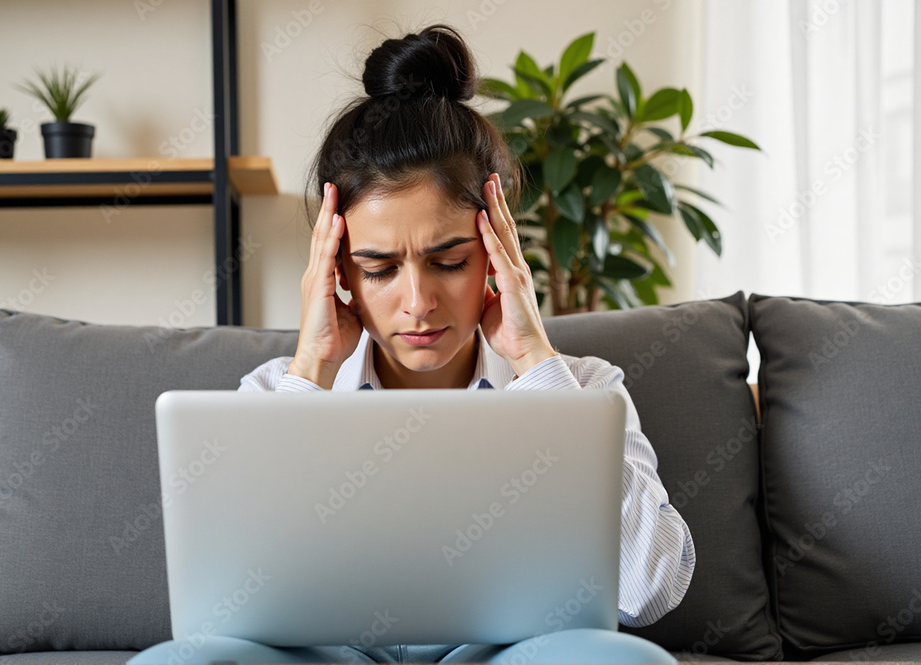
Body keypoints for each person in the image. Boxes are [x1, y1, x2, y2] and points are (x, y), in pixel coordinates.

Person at [130, 23, 693, 665]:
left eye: (448, 261)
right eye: (377, 268)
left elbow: (651, 591)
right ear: (337, 270)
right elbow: (229, 614)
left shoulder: (586, 391)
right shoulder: (272, 395)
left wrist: (536, 360)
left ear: (496, 254)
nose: (417, 302)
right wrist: (311, 369)